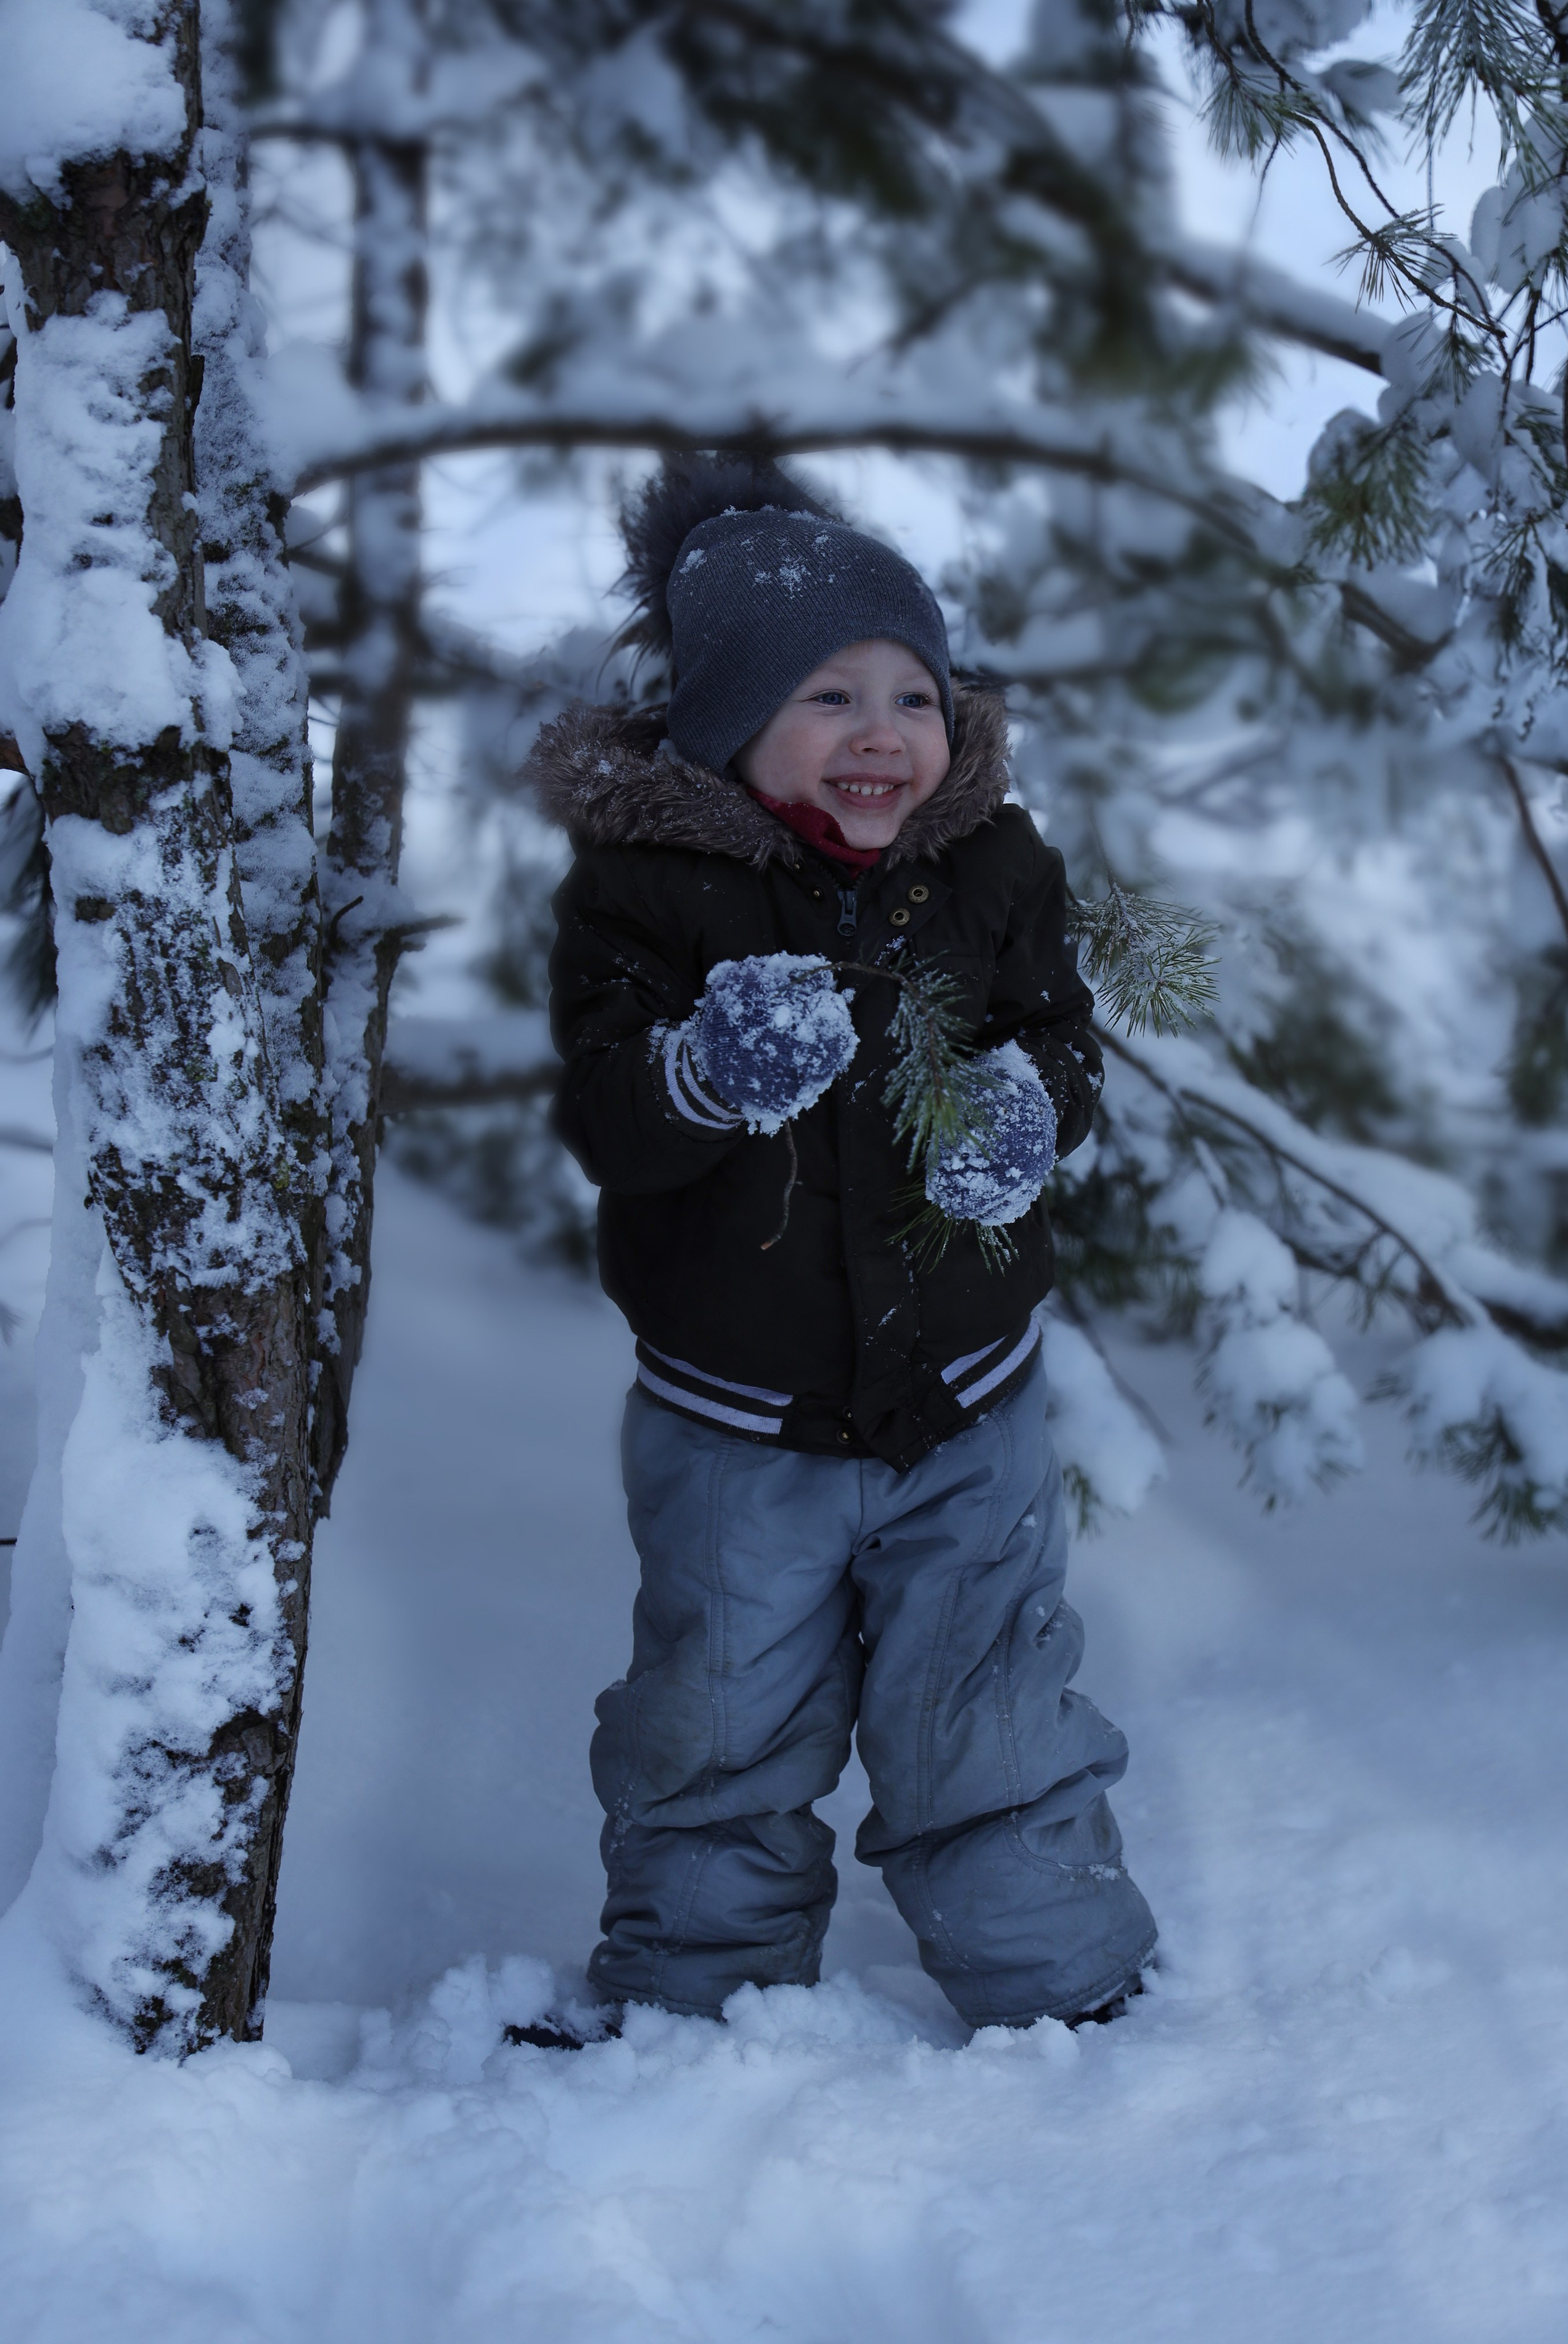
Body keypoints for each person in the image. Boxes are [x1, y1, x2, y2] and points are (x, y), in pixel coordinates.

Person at [525, 454, 1156, 2042]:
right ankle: (698, 2005)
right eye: (828, 695)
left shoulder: (990, 868)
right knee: (717, 1719)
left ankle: (1060, 1990)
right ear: (727, 726)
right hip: (739, 1428)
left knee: (988, 1703)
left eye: (912, 694)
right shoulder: (642, 896)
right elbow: (608, 1114)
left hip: (967, 1405)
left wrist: (1030, 1113)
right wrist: (701, 1073)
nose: (884, 733)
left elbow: (1057, 1037)